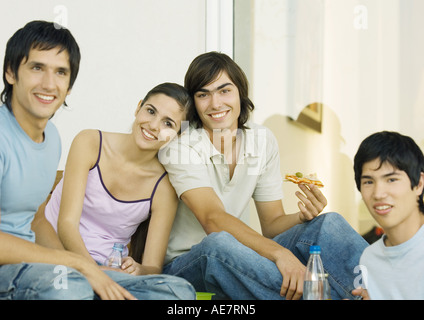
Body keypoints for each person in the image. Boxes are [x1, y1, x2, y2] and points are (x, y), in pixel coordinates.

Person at [0, 20, 192, 300]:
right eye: (37, 67)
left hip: (47, 266)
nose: (49, 83)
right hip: (19, 268)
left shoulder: (50, 138)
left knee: (179, 292)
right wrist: (77, 265)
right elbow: (61, 224)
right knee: (72, 289)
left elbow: (38, 219)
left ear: (69, 87)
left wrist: (81, 268)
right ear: (11, 73)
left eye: (61, 72)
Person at [158, 51, 369, 300]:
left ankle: (381, 290)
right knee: (218, 245)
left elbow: (272, 224)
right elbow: (212, 219)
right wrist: (280, 254)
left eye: (224, 91)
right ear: (194, 102)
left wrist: (301, 217)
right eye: (203, 94)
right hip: (186, 263)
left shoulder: (261, 140)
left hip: (236, 250)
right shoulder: (181, 146)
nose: (215, 104)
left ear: (240, 93)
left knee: (327, 223)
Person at [44, 82, 195, 298]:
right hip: (61, 261)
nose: (153, 125)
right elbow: (66, 224)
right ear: (138, 107)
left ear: (177, 136)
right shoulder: (90, 142)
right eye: (150, 111)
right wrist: (94, 273)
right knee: (69, 292)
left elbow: (152, 268)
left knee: (182, 292)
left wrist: (138, 269)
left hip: (112, 274)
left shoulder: (163, 187)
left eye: (168, 123)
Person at [352, 131, 424, 300]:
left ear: (419, 184)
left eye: (391, 179)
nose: (378, 193)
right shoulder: (369, 259)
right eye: (368, 182)